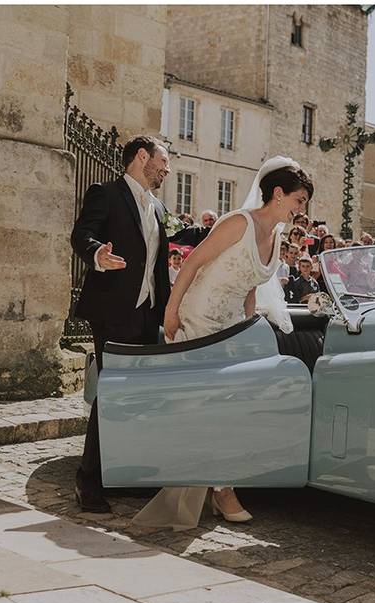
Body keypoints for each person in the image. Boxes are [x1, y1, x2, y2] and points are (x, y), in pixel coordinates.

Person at [132, 157, 313, 530]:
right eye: (298, 199)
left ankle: (219, 485)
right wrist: (171, 310)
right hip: (199, 317)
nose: (301, 209)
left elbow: (250, 286)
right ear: (277, 194)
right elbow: (193, 262)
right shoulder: (238, 223)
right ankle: (222, 490)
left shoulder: (276, 236)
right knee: (204, 406)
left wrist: (248, 327)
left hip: (232, 324)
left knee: (232, 406)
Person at [69, 134, 172, 513]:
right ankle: (88, 481)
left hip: (148, 315)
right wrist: (97, 253)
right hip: (113, 312)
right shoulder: (106, 192)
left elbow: (171, 246)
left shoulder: (158, 207)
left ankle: (126, 474)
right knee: (111, 393)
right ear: (141, 156)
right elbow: (81, 234)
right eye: (163, 160)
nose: (167, 167)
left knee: (138, 396)